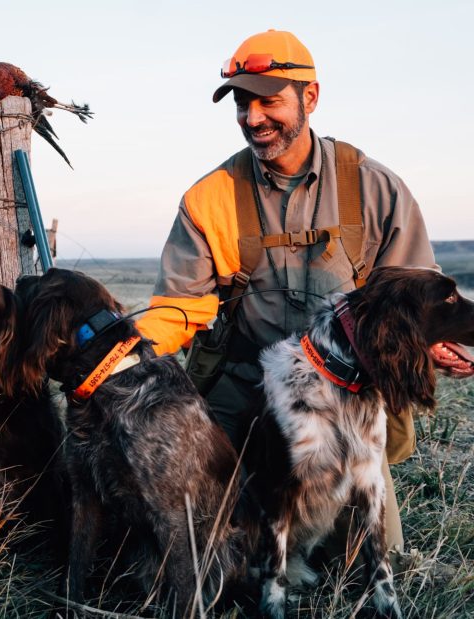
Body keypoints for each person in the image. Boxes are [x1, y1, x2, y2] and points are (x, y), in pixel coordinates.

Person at [136, 30, 452, 557]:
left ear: (311, 97)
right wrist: (121, 352)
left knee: (370, 560)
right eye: (242, 103)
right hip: (250, 388)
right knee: (202, 544)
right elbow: (178, 307)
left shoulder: (374, 187)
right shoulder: (208, 198)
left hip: (347, 396)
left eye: (269, 100)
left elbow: (418, 297)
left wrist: (443, 345)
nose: (253, 118)